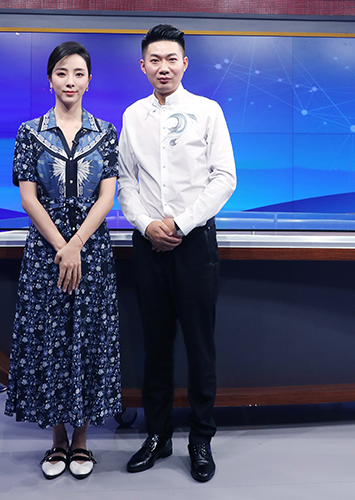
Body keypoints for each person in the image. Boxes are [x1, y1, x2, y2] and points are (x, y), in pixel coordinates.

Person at [117, 24, 237, 483]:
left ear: (185, 63)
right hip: (148, 245)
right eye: (155, 60)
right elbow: (124, 180)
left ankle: (201, 439)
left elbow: (224, 177)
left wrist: (180, 224)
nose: (163, 67)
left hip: (195, 244)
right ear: (143, 66)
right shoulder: (132, 116)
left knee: (200, 346)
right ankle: (158, 435)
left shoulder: (208, 111)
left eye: (171, 59)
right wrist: (147, 225)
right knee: (156, 345)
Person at [4, 41, 121, 481]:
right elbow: (28, 198)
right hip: (45, 252)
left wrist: (78, 244)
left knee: (88, 339)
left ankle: (83, 439)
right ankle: (56, 438)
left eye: (78, 73)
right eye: (61, 73)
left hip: (91, 251)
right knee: (50, 338)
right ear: (49, 79)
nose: (70, 81)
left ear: (89, 81)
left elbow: (107, 196)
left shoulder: (105, 132)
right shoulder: (29, 132)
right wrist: (62, 246)